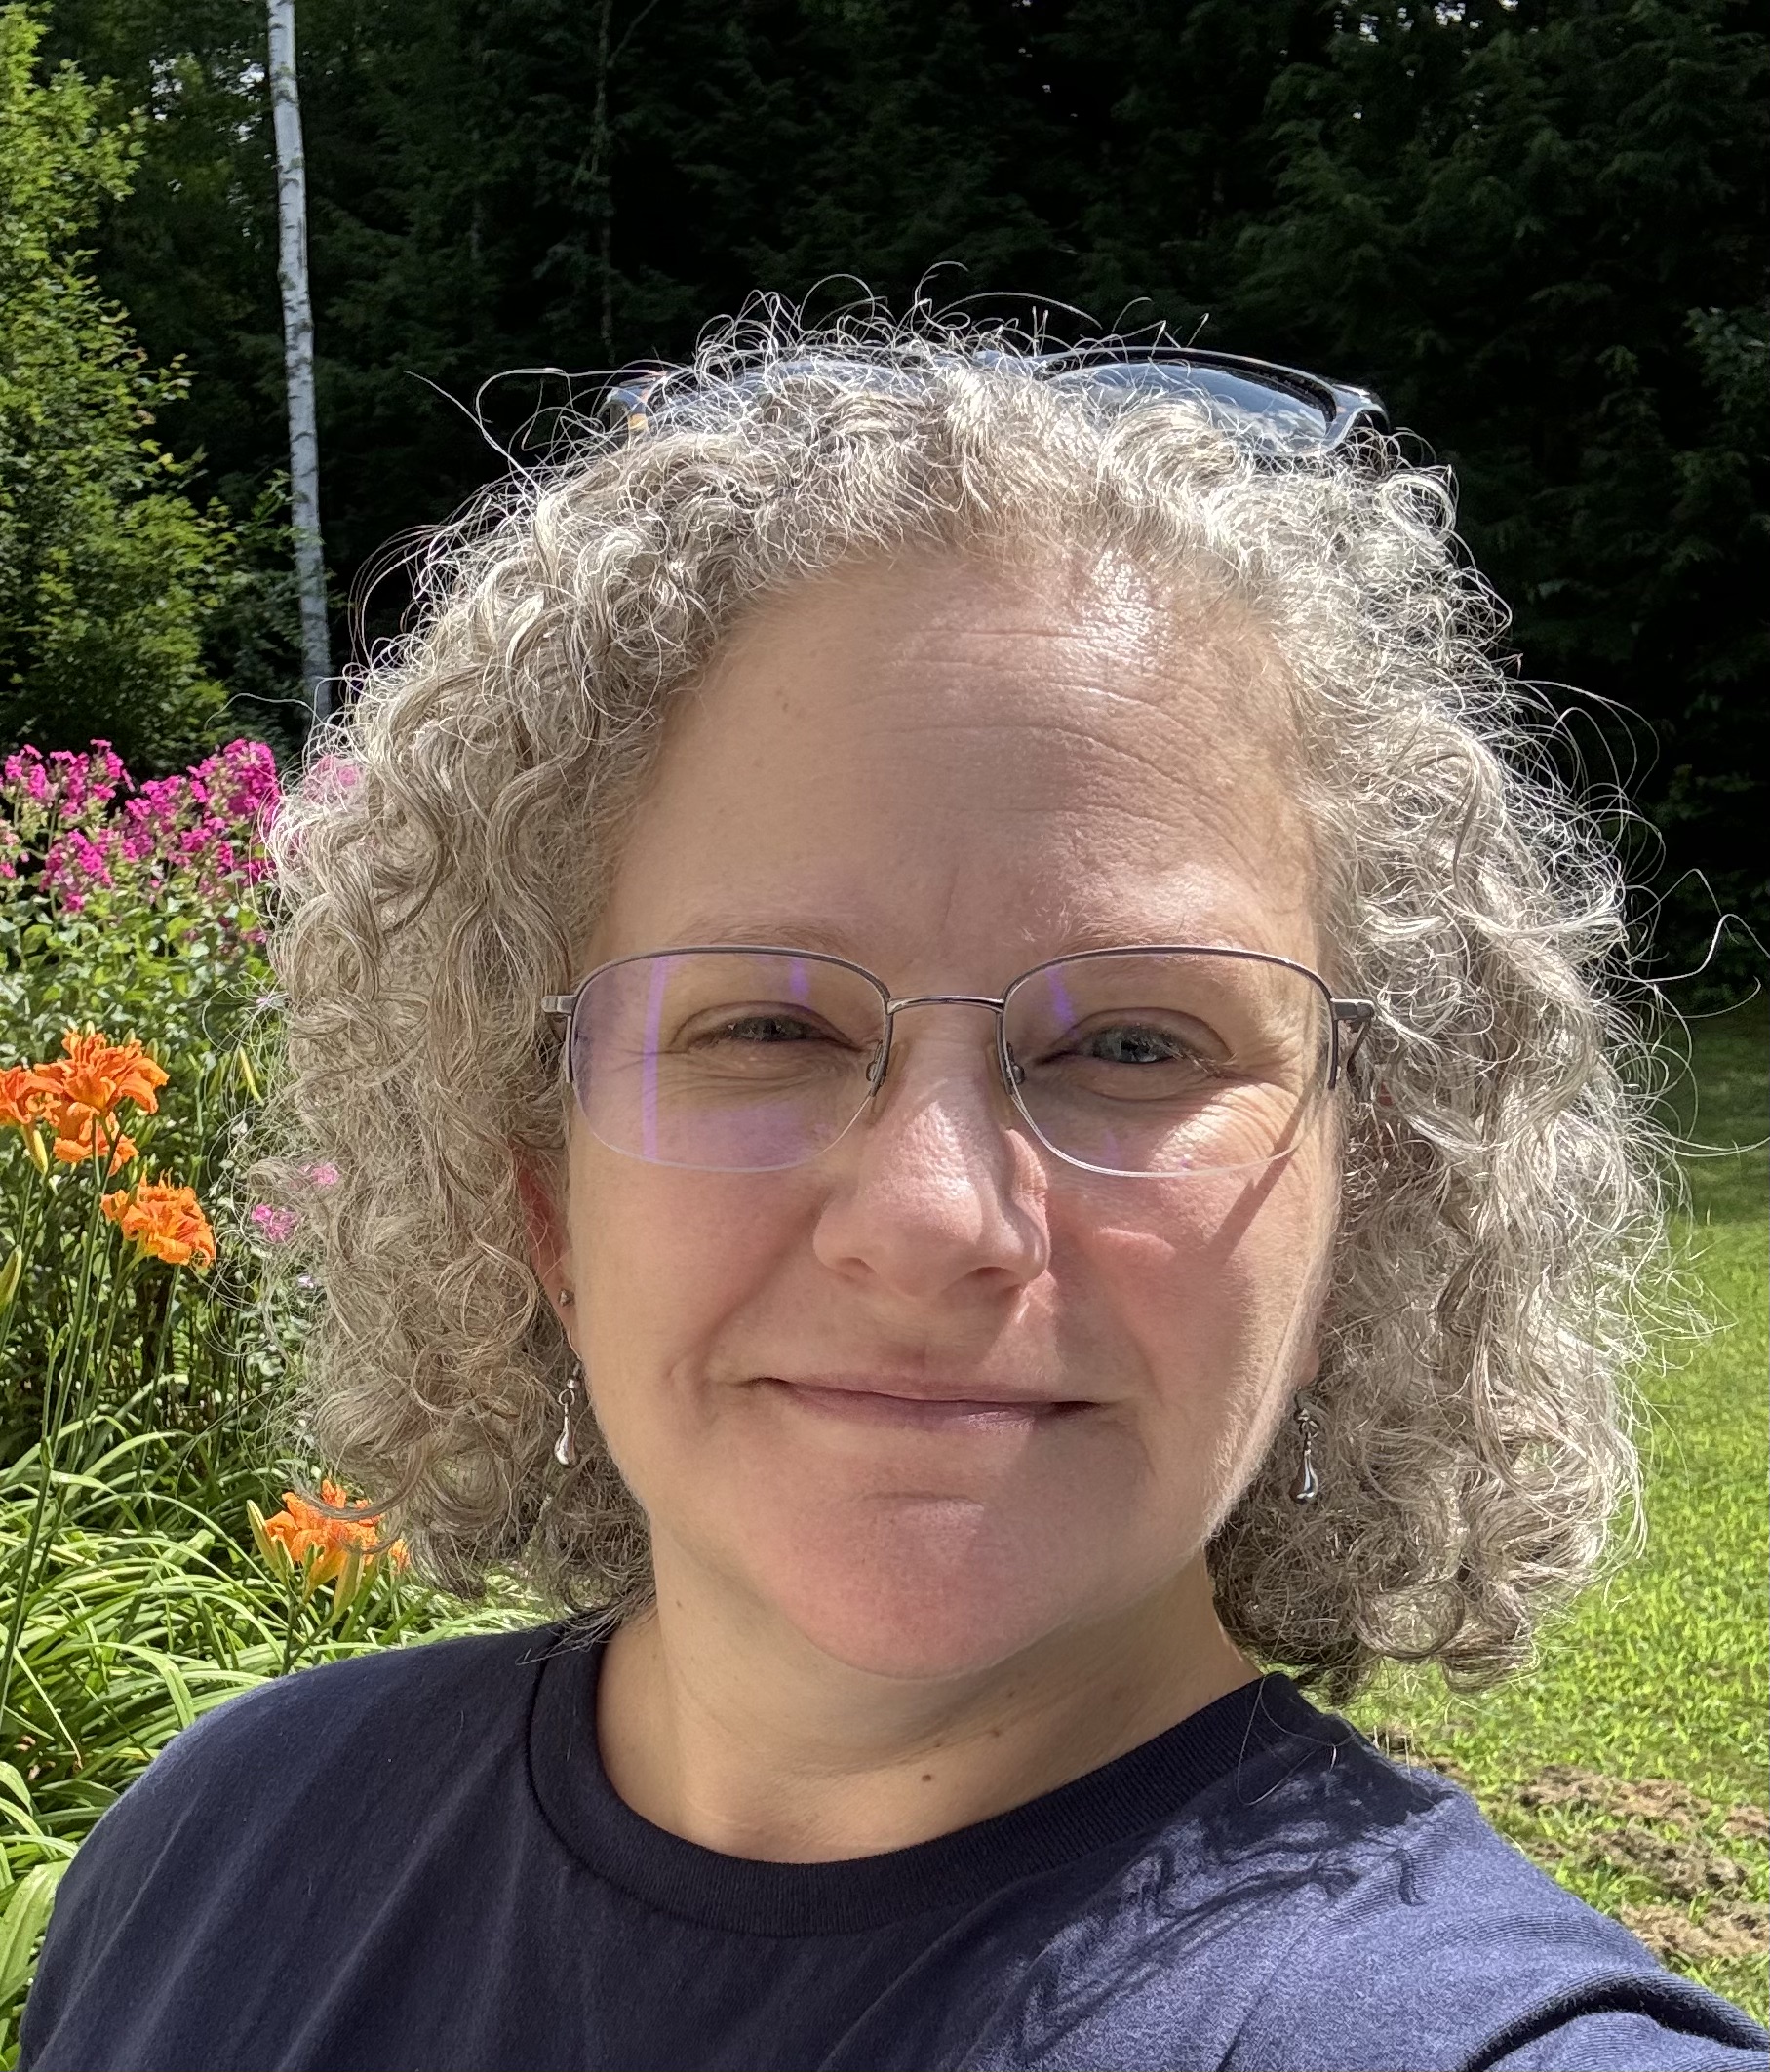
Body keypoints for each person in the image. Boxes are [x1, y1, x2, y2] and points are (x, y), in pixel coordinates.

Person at [20, 319, 1768, 2072]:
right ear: (540, 1193)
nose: (934, 1216)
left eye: (1138, 1044)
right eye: (768, 1026)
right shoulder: (217, 1857)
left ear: (1360, 1197)